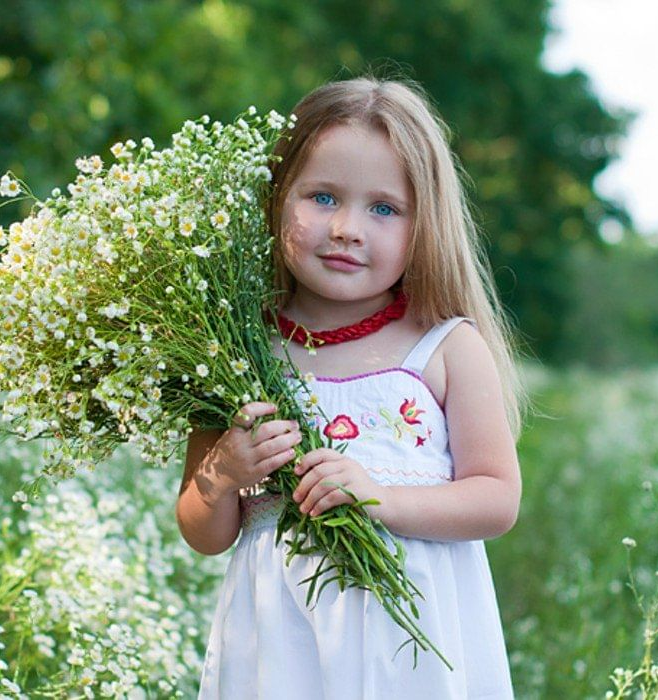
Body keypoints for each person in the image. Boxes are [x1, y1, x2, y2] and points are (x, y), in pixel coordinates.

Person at [176, 75, 526, 699]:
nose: (346, 228)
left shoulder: (444, 348)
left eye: (384, 208)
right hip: (279, 644)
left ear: (426, 226)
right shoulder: (233, 353)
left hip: (414, 642)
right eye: (322, 197)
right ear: (278, 198)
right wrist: (226, 472)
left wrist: (381, 500)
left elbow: (497, 499)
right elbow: (203, 531)